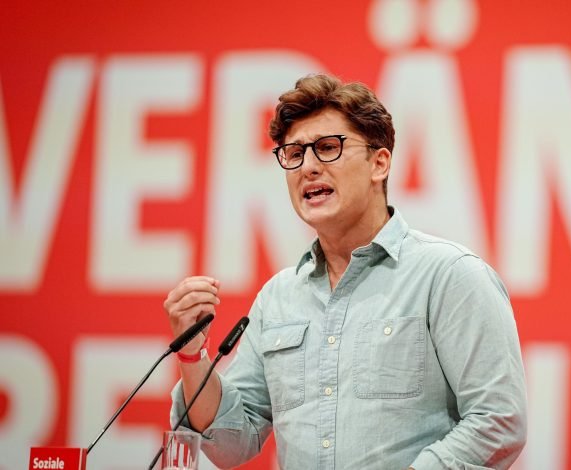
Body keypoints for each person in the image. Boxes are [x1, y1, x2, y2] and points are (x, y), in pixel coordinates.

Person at [164, 73, 527, 469]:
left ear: (379, 163)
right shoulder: (278, 297)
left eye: (327, 148)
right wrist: (192, 355)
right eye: (294, 153)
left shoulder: (449, 276)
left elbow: (498, 420)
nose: (308, 167)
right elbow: (231, 444)